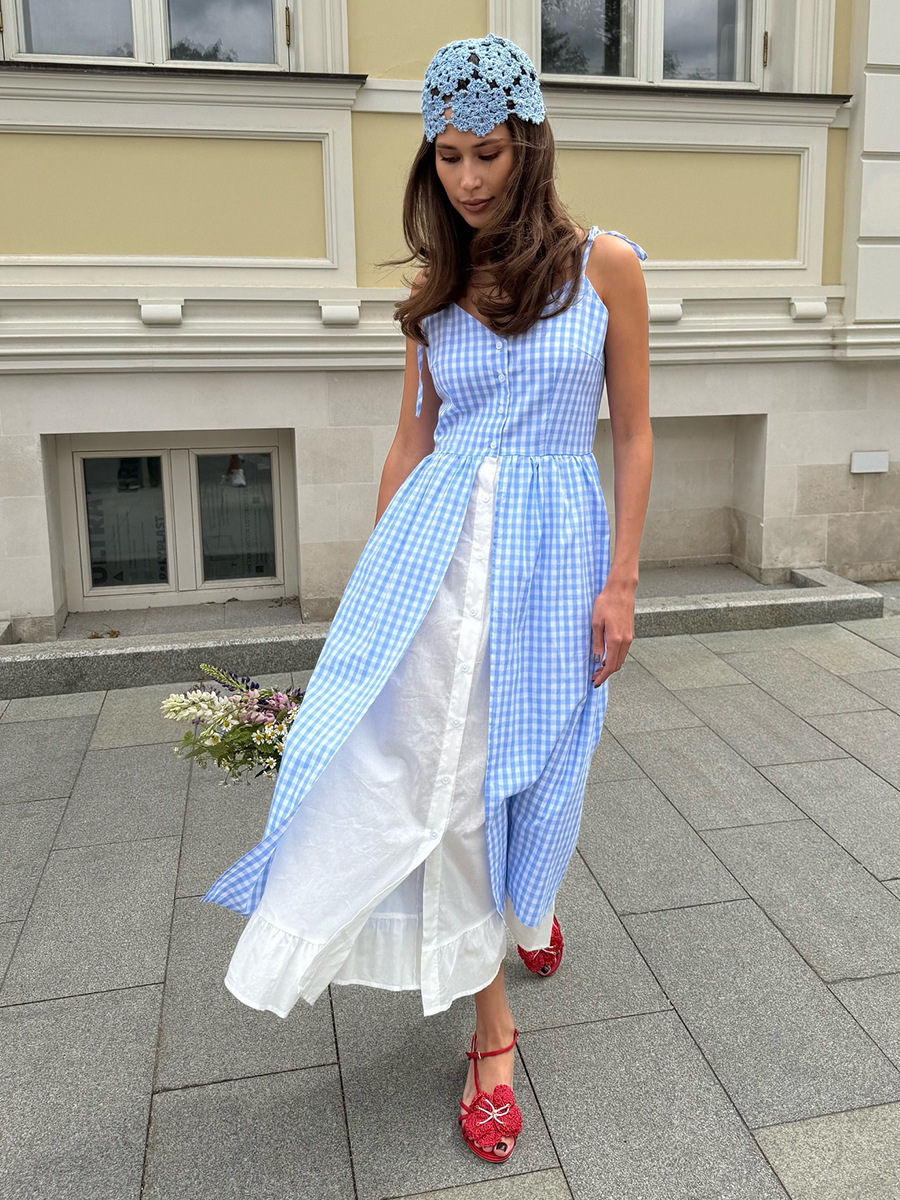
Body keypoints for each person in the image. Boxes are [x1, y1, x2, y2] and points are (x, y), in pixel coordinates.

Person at [201, 32, 652, 1165]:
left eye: (487, 152)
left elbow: (636, 434)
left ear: (529, 145)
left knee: (539, 758)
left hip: (553, 560)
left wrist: (623, 581)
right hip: (440, 561)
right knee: (445, 781)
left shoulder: (605, 267)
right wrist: (373, 589)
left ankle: (525, 907)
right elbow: (413, 443)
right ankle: (491, 1035)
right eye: (448, 158)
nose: (468, 179)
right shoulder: (436, 291)